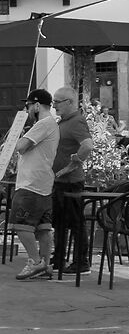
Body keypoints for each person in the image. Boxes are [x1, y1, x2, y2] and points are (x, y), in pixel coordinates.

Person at [13, 93, 62, 279]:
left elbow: (21, 146)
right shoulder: (48, 124)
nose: (26, 109)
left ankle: (34, 262)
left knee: (21, 225)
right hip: (42, 182)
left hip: (31, 184)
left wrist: (18, 137)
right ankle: (45, 265)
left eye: (28, 105)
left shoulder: (44, 123)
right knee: (43, 227)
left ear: (36, 106)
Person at [51, 88, 92, 278]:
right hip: (59, 180)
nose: (54, 105)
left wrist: (72, 165)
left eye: (57, 101)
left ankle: (81, 261)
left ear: (69, 102)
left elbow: (87, 145)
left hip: (71, 182)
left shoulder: (76, 121)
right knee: (59, 222)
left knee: (75, 222)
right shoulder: (64, 122)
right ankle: (59, 257)